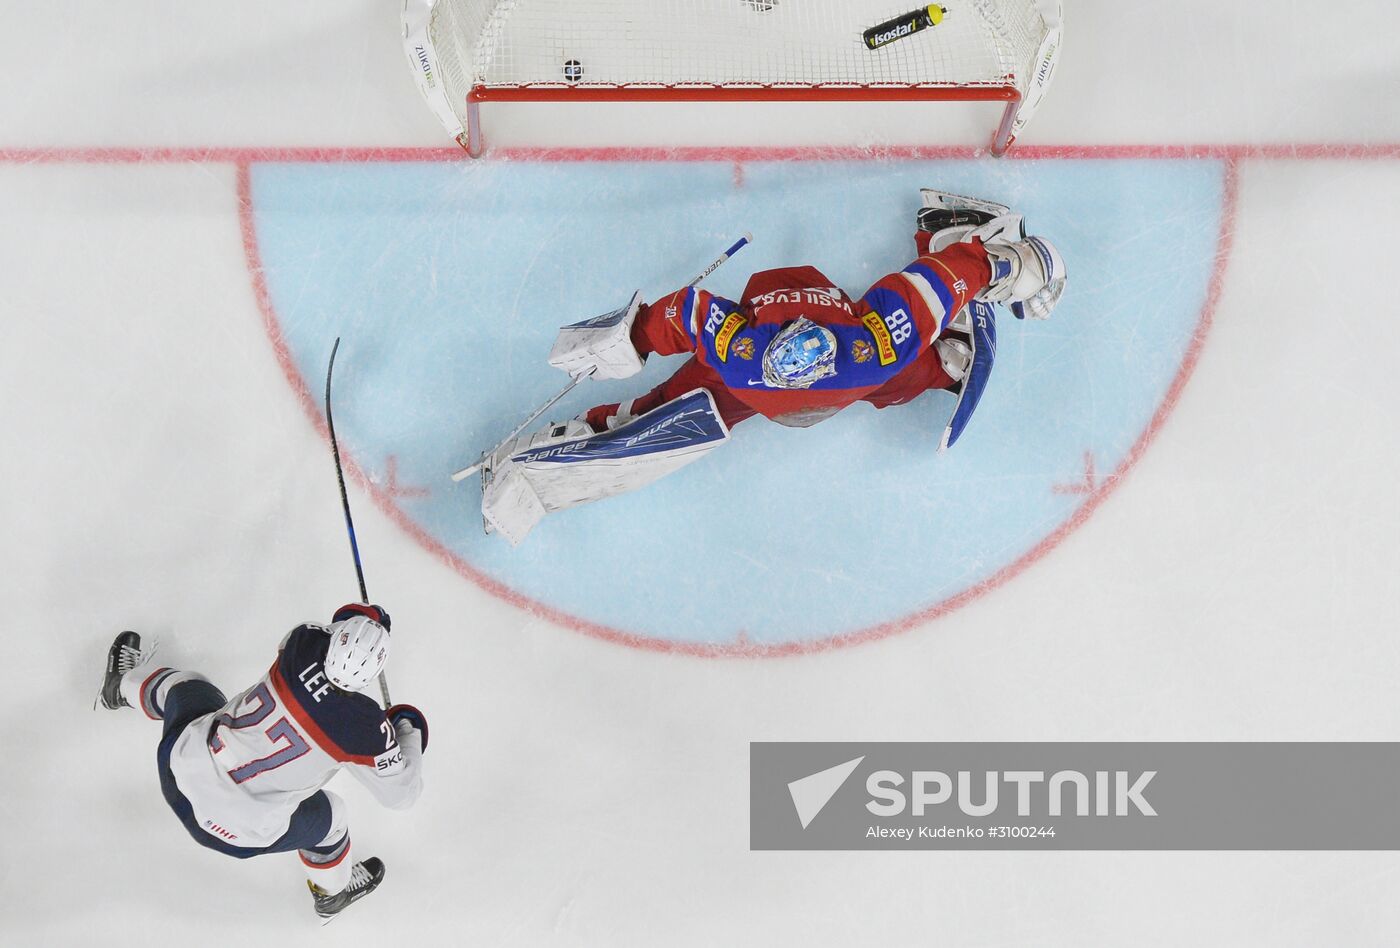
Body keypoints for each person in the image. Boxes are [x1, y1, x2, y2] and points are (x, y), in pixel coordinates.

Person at [480, 189, 1067, 544]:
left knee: (684, 400)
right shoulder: (872, 344)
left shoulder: (751, 352)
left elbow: (682, 315)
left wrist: (624, 342)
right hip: (817, 377)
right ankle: (948, 363)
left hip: (761, 383)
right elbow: (942, 281)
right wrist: (1016, 262)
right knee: (901, 373)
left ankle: (603, 428)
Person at [96, 603, 427, 921]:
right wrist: (407, 728)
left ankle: (119, 687)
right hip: (236, 833)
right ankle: (331, 894)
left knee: (184, 685)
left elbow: (342, 619)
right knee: (334, 818)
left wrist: (371, 618)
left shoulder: (303, 643)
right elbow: (402, 794)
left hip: (180, 771)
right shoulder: (367, 730)